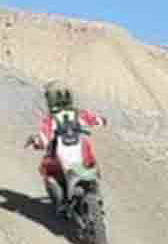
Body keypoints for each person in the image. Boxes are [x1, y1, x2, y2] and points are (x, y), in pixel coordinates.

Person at [24, 81, 107, 214]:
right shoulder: (79, 114)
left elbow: (43, 140)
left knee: (47, 169)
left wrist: (35, 142)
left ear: (51, 99)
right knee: (91, 160)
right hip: (81, 153)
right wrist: (102, 120)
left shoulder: (50, 120)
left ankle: (61, 204)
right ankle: (96, 193)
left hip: (62, 156)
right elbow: (97, 120)